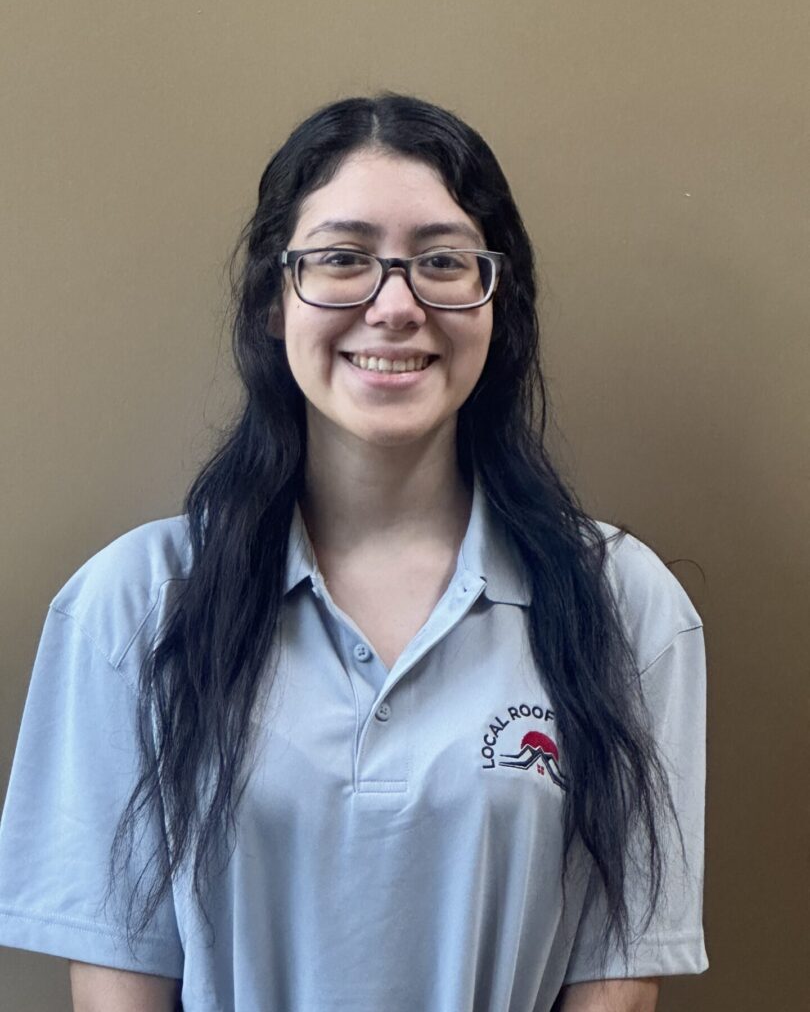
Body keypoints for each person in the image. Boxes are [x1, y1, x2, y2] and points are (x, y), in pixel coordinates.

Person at [0, 95, 707, 1011]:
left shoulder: (626, 605)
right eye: (342, 259)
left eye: (443, 262)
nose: (396, 306)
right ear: (269, 300)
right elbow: (117, 987)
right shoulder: (129, 607)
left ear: (499, 305)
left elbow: (619, 982)